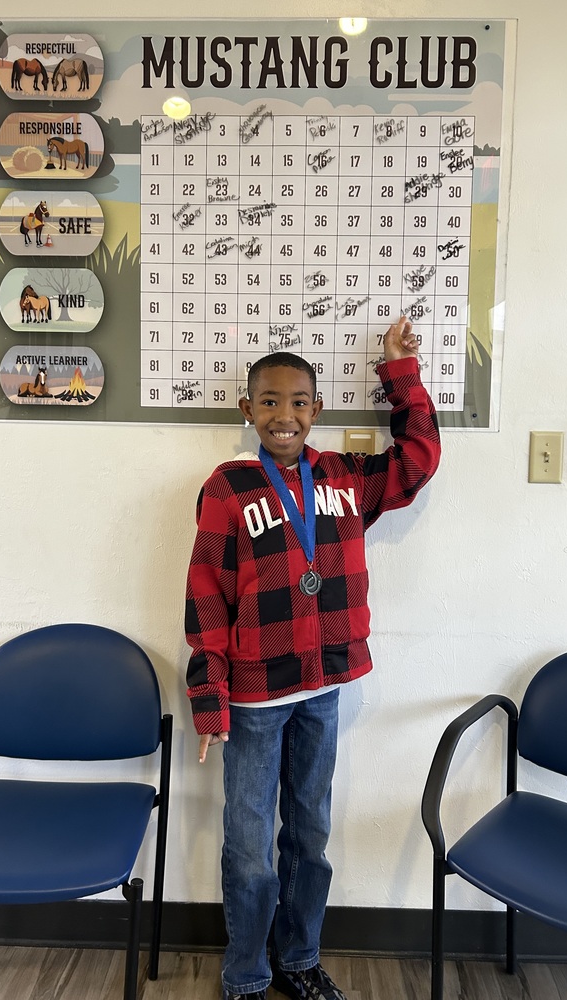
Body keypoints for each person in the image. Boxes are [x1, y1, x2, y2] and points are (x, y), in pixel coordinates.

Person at [185, 316, 441, 1000]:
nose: (284, 415)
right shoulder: (229, 488)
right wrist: (208, 696)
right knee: (247, 847)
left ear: (316, 410)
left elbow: (417, 460)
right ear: (247, 410)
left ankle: (299, 959)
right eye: (269, 401)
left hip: (324, 686)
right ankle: (245, 972)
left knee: (309, 836)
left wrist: (400, 374)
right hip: (254, 697)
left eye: (298, 402)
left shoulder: (347, 480)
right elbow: (206, 591)